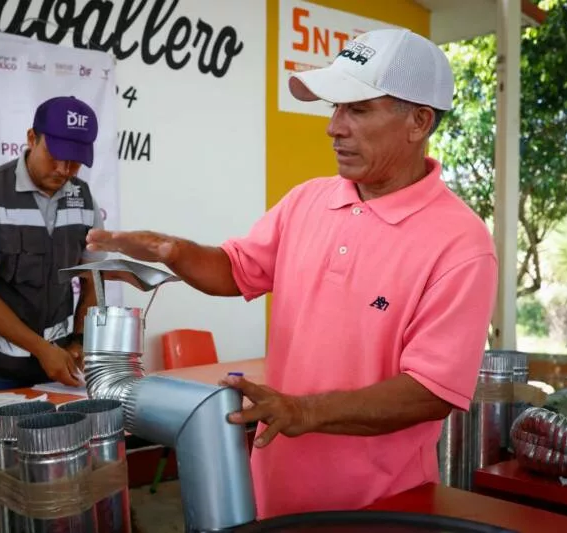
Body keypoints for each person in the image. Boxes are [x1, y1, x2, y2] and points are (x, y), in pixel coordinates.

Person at [85, 28, 498, 518]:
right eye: (335, 108)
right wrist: (172, 251)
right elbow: (236, 270)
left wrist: (304, 411)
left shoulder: (461, 243)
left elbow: (429, 393)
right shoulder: (307, 200)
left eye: (357, 109)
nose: (334, 128)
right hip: (273, 494)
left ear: (419, 121)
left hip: (380, 508)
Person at [0, 95, 105, 533]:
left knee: (50, 477)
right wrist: (43, 349)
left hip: (51, 370)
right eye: (57, 155)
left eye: (76, 160)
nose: (65, 170)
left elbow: (92, 281)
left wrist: (77, 340)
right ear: (32, 138)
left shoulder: (83, 198)